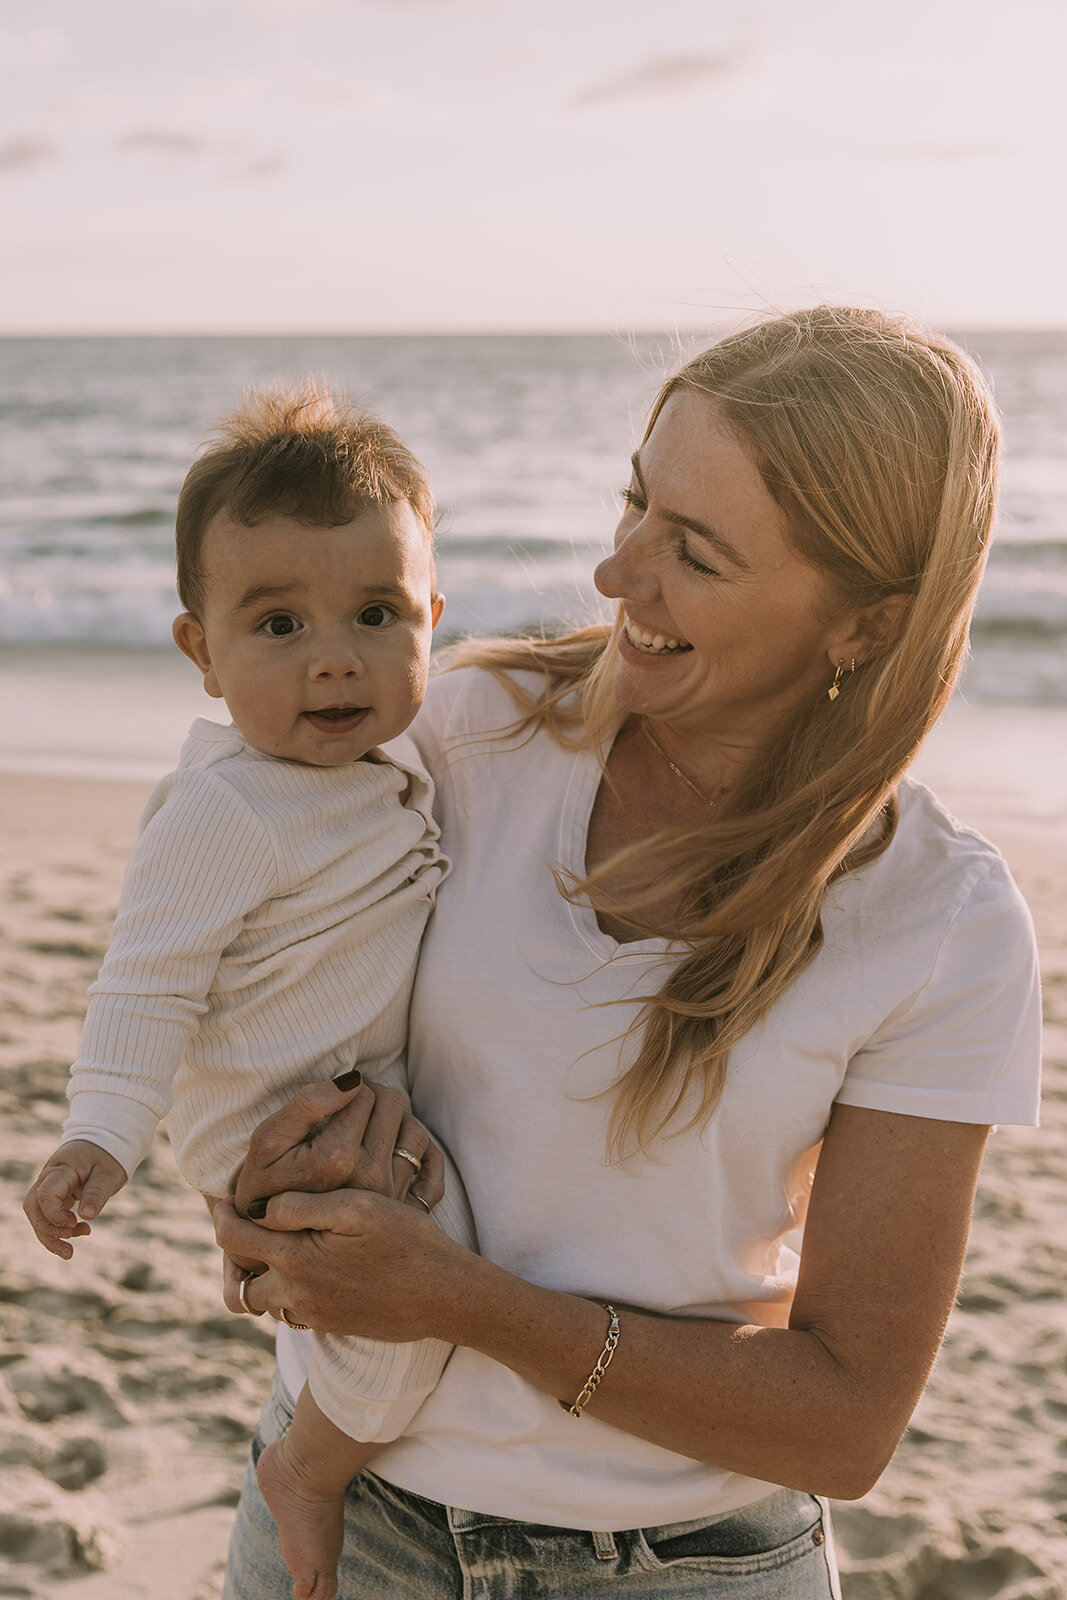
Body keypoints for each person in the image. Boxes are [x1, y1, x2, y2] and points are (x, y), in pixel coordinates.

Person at [214, 305, 1042, 1600]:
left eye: (694, 556)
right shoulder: (461, 737)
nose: (616, 577)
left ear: (863, 628)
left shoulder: (936, 923)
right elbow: (256, 984)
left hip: (682, 1571)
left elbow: (843, 1422)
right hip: (344, 1519)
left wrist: (459, 1300)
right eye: (634, 505)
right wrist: (258, 1190)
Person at [22, 387, 477, 1600]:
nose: (334, 656)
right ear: (202, 653)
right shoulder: (226, 806)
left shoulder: (392, 760)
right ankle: (311, 1470)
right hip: (285, 1121)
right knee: (423, 1298)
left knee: (415, 1286)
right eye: (276, 624)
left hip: (351, 1087)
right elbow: (146, 977)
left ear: (433, 622)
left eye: (377, 614)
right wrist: (100, 1135)